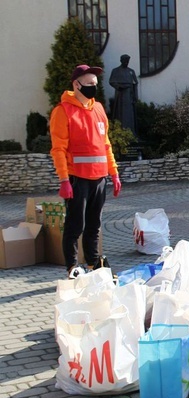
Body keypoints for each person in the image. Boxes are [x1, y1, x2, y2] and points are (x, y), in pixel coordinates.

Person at [49, 64, 122, 278]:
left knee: (94, 225)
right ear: (76, 84)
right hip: (76, 178)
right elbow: (58, 148)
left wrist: (114, 172)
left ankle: (93, 265)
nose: (93, 88)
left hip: (99, 178)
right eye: (89, 84)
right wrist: (64, 179)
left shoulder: (98, 109)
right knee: (75, 226)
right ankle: (72, 267)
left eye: (95, 84)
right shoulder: (62, 112)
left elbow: (106, 143)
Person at [109, 54, 139, 134]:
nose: (126, 62)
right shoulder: (116, 71)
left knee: (130, 114)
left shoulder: (131, 71)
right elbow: (112, 81)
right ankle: (121, 131)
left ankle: (131, 132)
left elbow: (135, 83)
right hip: (120, 95)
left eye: (128, 61)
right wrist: (119, 86)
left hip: (129, 95)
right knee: (120, 113)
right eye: (125, 61)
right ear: (121, 61)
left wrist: (135, 96)